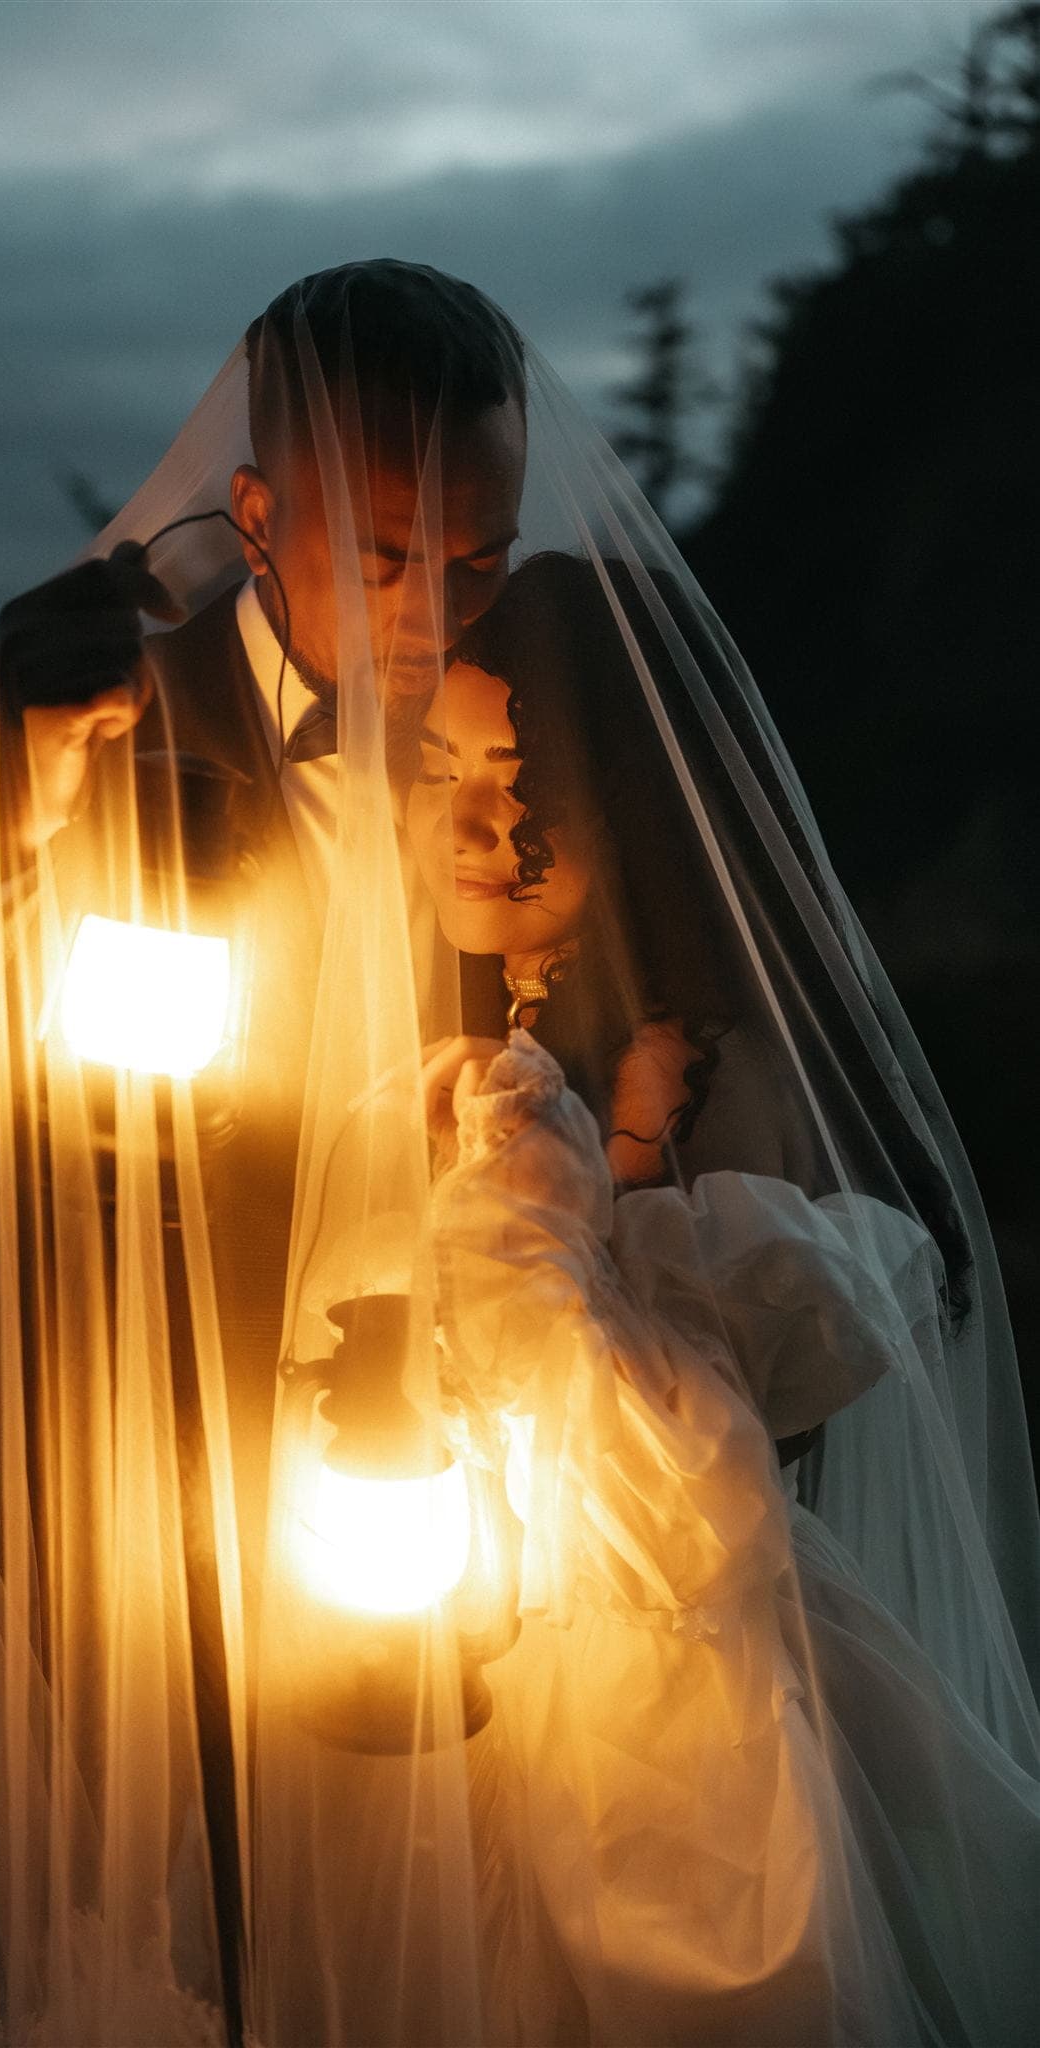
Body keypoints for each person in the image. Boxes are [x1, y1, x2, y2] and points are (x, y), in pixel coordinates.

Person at [0, 269, 1040, 2046]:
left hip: (471, 1548)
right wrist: (3, 813)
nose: (432, 618)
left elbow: (747, 1088)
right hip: (169, 1538)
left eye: (477, 558)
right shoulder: (105, 730)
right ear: (254, 518)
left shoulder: (522, 728)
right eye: (388, 557)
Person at [410, 550, 1040, 2042]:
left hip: (670, 1711)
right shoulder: (499, 1033)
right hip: (517, 1654)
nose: (474, 827)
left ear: (633, 794)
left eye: (523, 777)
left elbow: (685, 1458)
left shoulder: (686, 1074)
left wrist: (514, 1231)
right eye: (438, 770)